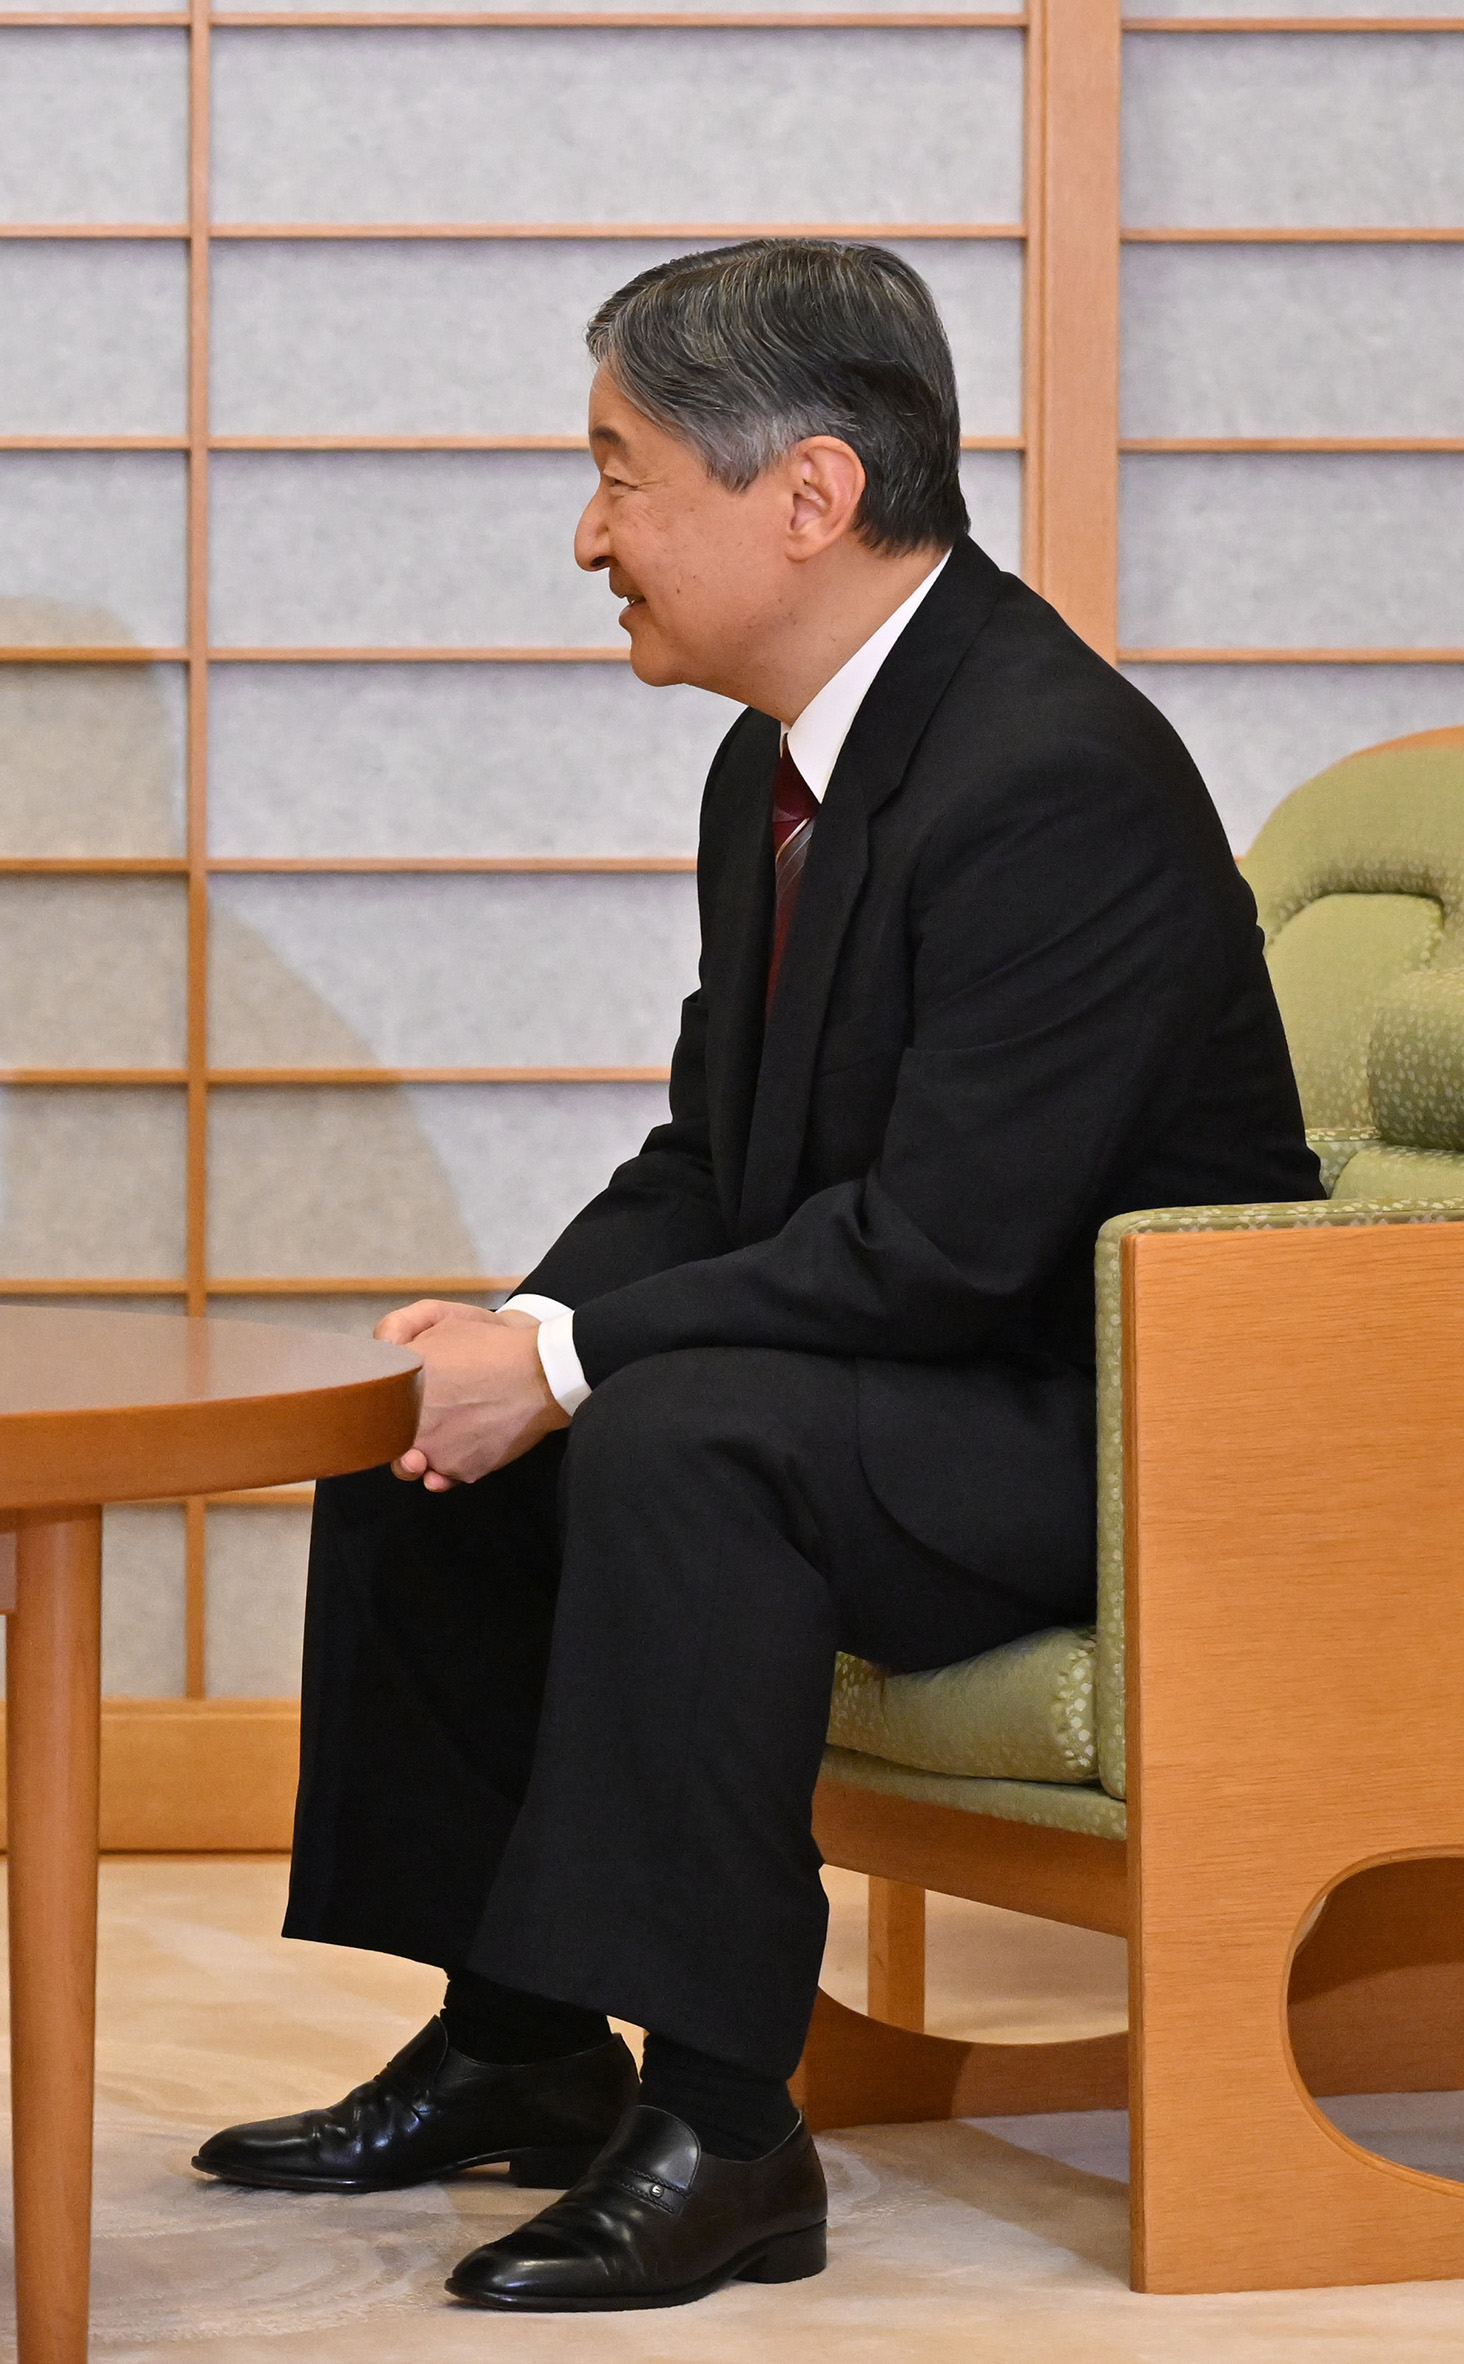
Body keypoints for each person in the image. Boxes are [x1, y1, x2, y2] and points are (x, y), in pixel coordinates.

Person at [190, 241, 1316, 2310]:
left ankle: (726, 2124)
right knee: (446, 1411)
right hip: (932, 1367)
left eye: (622, 475)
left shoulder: (1048, 768)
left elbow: (947, 1248)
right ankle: (520, 2037)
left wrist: (577, 1361)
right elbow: (719, 1167)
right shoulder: (781, 760)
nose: (586, 534)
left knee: (680, 1440)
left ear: (806, 495)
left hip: (1114, 1413)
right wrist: (505, 1341)